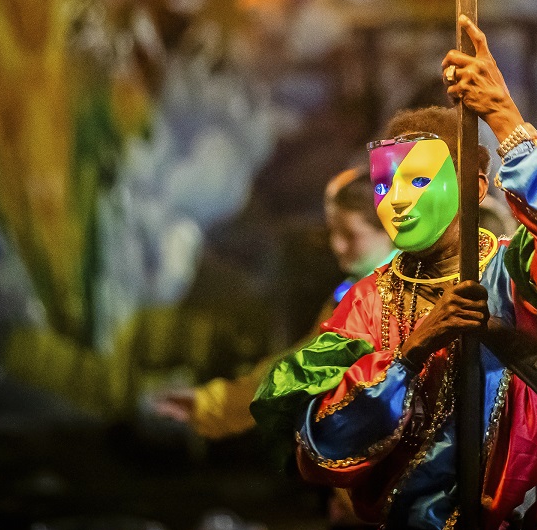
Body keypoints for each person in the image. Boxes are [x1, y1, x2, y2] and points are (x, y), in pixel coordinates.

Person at [251, 16, 537, 530]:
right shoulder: (366, 304)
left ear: (475, 188)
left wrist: (505, 120)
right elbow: (321, 448)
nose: (397, 200)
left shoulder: (521, 274)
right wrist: (412, 353)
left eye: (418, 180)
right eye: (385, 185)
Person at [155, 165, 396, 439]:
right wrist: (212, 404)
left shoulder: (380, 299)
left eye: (351, 235)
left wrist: (217, 404)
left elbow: (304, 371)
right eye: (332, 232)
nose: (336, 245)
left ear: (390, 231)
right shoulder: (353, 292)